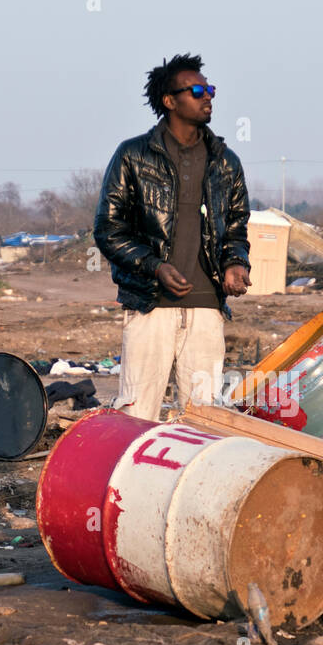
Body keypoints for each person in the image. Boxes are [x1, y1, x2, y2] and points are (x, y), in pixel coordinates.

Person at [94, 53, 251, 421]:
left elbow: (236, 226)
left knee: (204, 419)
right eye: (197, 90)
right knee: (137, 416)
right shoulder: (133, 156)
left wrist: (234, 263)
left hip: (207, 308)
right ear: (170, 101)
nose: (207, 96)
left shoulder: (225, 161)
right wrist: (154, 267)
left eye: (209, 88)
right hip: (150, 305)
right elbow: (108, 229)